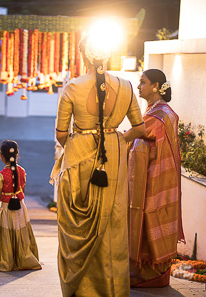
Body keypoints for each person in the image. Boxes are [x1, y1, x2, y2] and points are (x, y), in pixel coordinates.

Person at [50, 36, 145, 297]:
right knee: (113, 222)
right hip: (113, 157)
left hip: (79, 156)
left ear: (84, 56)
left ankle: (81, 289)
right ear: (108, 56)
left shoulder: (72, 88)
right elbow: (140, 128)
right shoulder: (126, 86)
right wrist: (114, 140)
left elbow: (60, 134)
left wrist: (83, 141)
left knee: (74, 223)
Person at [128, 69, 185, 287]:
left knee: (151, 217)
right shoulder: (154, 111)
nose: (139, 86)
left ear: (155, 86)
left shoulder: (161, 114)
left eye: (143, 82)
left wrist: (118, 142)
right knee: (140, 218)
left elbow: (134, 136)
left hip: (157, 180)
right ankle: (140, 271)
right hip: (147, 177)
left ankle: (152, 274)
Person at [0, 140, 41, 272]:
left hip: (6, 207)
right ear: (17, 154)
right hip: (20, 206)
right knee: (20, 232)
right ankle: (22, 259)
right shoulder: (22, 171)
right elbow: (22, 190)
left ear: (1, 156)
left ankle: (7, 260)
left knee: (6, 234)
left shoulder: (1, 175)